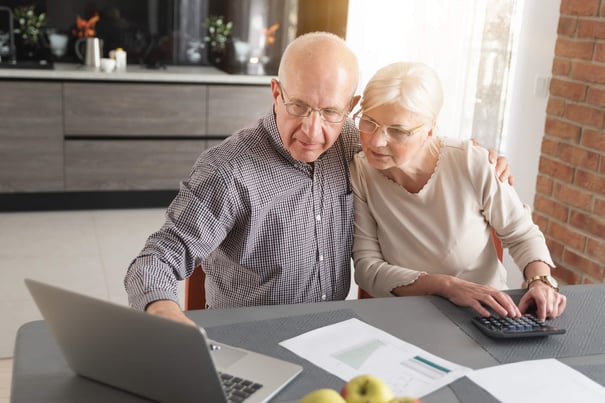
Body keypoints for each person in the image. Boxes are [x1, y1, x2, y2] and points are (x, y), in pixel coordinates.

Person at [125, 32, 511, 326]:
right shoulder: (228, 171)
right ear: (276, 93)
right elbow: (153, 262)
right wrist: (164, 310)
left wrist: (474, 157)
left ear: (351, 107)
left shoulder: (351, 144)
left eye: (330, 111)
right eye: (298, 107)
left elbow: (412, 139)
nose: (312, 131)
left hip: (334, 332)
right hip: (251, 337)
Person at [350, 61, 566, 321]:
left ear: (430, 129)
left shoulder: (470, 162)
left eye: (397, 131)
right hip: (404, 317)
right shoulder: (361, 172)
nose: (376, 141)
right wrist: (446, 286)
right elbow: (368, 269)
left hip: (485, 316)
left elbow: (521, 235)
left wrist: (540, 281)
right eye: (369, 122)